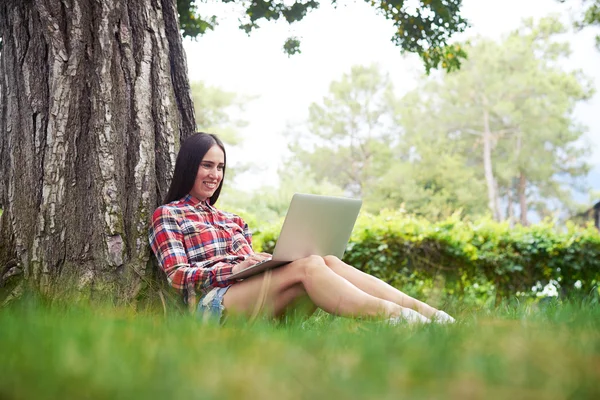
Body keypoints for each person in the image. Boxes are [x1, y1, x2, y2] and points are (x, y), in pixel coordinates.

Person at [149, 132, 455, 325]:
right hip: (211, 304)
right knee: (309, 266)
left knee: (327, 261)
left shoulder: (233, 221)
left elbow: (248, 268)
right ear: (190, 166)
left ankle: (431, 314)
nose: (215, 174)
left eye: (220, 167)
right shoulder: (169, 215)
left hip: (251, 295)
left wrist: (263, 263)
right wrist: (231, 270)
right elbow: (178, 277)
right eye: (207, 165)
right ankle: (399, 318)